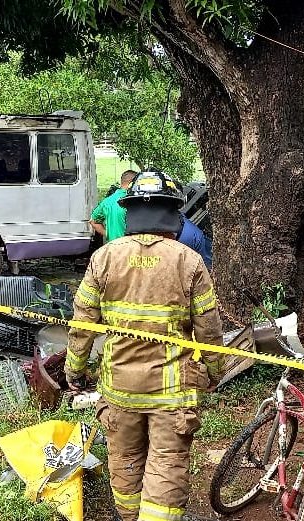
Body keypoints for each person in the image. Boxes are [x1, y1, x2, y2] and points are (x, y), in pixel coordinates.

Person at [65, 170, 224, 521]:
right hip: (171, 393)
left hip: (119, 388)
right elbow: (209, 329)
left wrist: (74, 370)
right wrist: (214, 371)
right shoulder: (188, 260)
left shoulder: (104, 258)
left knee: (124, 459)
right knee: (166, 463)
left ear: (130, 212)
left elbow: (81, 324)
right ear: (173, 214)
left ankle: (128, 514)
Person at [90, 169, 137, 242]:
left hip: (113, 247)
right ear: (133, 183)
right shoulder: (135, 201)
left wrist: (108, 234)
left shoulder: (107, 201)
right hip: (130, 248)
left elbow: (93, 221)